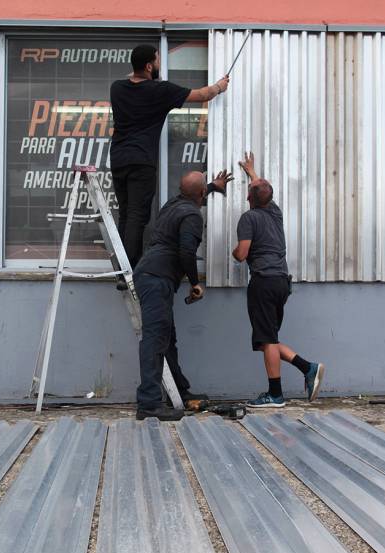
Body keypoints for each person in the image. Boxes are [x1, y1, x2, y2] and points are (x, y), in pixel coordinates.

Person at [110, 44, 230, 269]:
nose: (159, 64)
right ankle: (129, 268)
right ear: (148, 66)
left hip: (118, 159)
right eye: (157, 61)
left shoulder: (116, 88)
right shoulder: (160, 91)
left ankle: (120, 268)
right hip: (141, 161)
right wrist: (220, 86)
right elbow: (203, 94)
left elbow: (133, 77)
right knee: (137, 216)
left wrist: (146, 72)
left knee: (125, 214)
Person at [134, 169, 233, 420]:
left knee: (167, 340)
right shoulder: (192, 215)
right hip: (157, 279)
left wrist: (213, 185)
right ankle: (148, 404)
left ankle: (179, 392)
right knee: (155, 340)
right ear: (200, 195)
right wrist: (194, 282)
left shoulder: (173, 203)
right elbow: (186, 252)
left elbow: (193, 192)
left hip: (152, 275)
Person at [232, 152, 324, 407]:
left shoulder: (248, 218)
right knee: (267, 339)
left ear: (249, 197)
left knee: (268, 340)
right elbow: (262, 188)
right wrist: (251, 173)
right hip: (282, 281)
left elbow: (242, 254)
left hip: (263, 282)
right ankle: (308, 368)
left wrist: (234, 251)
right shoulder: (275, 212)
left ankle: (275, 395)